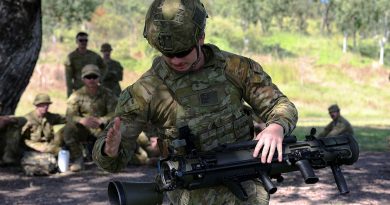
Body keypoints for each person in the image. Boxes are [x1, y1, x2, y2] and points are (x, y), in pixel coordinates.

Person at [93, 0, 298, 204]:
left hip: (246, 188)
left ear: (201, 38)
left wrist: (276, 127)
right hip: (191, 194)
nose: (175, 61)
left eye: (182, 52)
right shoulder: (146, 90)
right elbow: (112, 161)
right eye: (168, 54)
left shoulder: (235, 68)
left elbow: (280, 105)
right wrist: (109, 150)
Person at [63, 64, 117, 172]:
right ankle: (78, 159)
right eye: (88, 77)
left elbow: (115, 112)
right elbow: (69, 115)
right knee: (68, 129)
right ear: (83, 79)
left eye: (94, 76)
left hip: (102, 129)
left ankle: (106, 160)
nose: (91, 80)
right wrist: (81, 120)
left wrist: (103, 119)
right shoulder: (76, 95)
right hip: (84, 129)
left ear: (99, 78)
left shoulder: (107, 94)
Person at [20, 94, 67, 175]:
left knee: (67, 129)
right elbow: (21, 138)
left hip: (49, 144)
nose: (45, 107)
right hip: (34, 146)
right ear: (37, 105)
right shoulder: (28, 119)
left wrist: (80, 119)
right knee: (56, 152)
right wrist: (35, 146)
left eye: (47, 105)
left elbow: (65, 118)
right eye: (42, 105)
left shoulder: (49, 117)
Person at [64, 32, 106, 97]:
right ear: (76, 41)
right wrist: (69, 93)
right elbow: (68, 77)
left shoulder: (94, 56)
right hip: (78, 89)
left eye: (85, 40)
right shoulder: (71, 57)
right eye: (81, 40)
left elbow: (104, 67)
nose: (83, 42)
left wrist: (99, 79)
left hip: (93, 88)